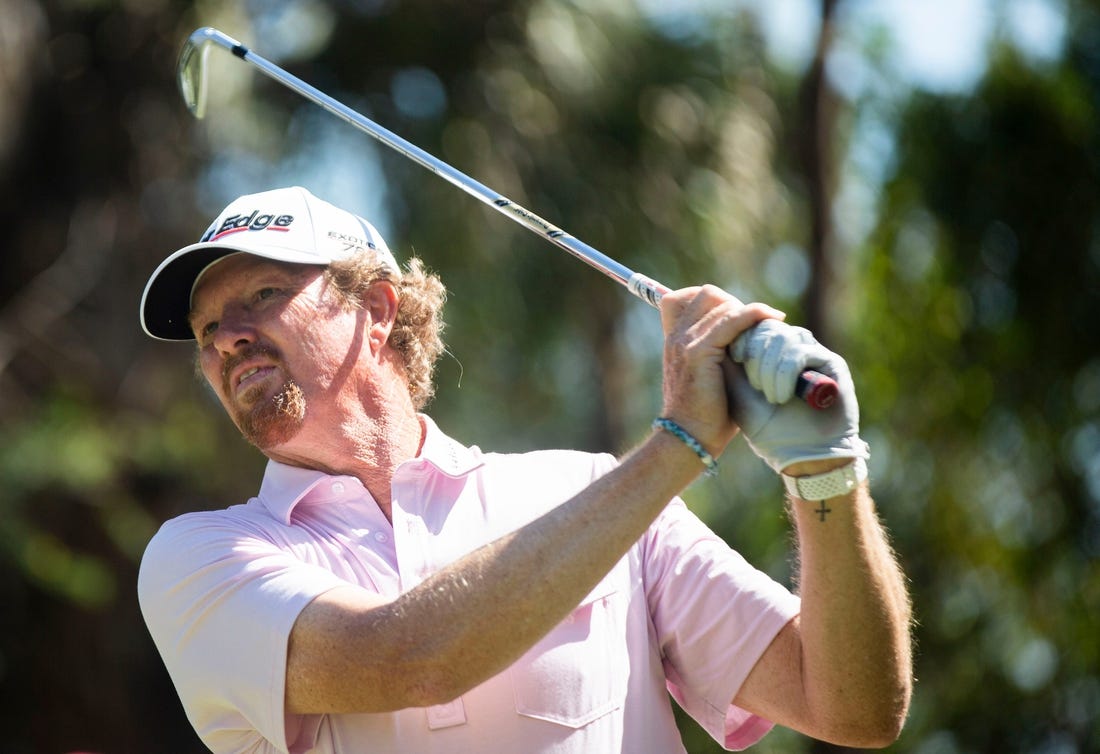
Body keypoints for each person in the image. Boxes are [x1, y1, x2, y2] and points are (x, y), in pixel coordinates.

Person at [137, 185, 912, 754]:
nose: (226, 339)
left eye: (263, 295)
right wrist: (678, 446)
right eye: (207, 330)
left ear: (375, 309)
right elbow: (413, 659)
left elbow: (853, 706)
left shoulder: (586, 491)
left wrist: (825, 474)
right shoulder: (198, 558)